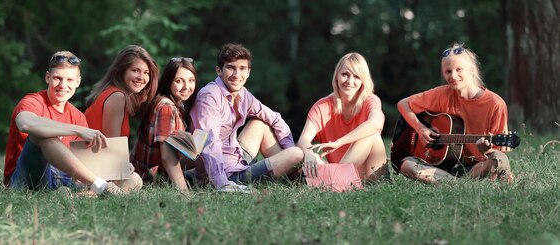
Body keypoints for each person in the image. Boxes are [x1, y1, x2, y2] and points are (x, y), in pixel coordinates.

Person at [3, 51, 124, 196]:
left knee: (132, 177)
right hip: (27, 178)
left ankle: (77, 197)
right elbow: (25, 124)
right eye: (57, 78)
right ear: (48, 77)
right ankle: (102, 187)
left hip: (64, 179)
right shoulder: (32, 101)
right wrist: (77, 130)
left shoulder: (77, 116)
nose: (63, 85)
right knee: (42, 136)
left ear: (78, 82)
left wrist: (116, 167)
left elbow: (80, 165)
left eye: (69, 80)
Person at [190, 43, 304, 192]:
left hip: (236, 158)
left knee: (260, 124)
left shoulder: (243, 94)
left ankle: (294, 171)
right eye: (231, 67)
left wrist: (287, 151)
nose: (237, 75)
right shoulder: (210, 96)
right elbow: (209, 141)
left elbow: (275, 118)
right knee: (297, 153)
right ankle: (296, 172)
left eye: (242, 68)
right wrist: (222, 183)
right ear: (219, 70)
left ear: (248, 72)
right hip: (226, 174)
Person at [394, 43, 513, 183]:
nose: (453, 76)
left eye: (459, 69)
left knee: (498, 159)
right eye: (448, 71)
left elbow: (499, 152)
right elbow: (403, 104)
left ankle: (449, 183)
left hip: (475, 167)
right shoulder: (442, 94)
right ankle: (458, 185)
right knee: (407, 165)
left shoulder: (495, 104)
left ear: (472, 70)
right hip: (441, 166)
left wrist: (485, 150)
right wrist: (421, 129)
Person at [297, 52, 389, 182]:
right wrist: (309, 153)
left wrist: (339, 142)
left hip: (371, 175)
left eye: (356, 76)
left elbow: (376, 124)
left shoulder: (370, 100)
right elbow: (304, 139)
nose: (349, 81)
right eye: (345, 74)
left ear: (363, 80)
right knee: (309, 157)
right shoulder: (322, 106)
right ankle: (336, 177)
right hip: (343, 173)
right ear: (336, 76)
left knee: (371, 134)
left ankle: (334, 178)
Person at [85, 45, 158, 191]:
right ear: (121, 71)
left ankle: (98, 192)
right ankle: (88, 193)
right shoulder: (117, 96)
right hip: (90, 168)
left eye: (146, 73)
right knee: (135, 180)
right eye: (135, 70)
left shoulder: (111, 93)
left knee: (133, 178)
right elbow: (111, 146)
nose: (141, 78)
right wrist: (124, 167)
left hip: (94, 164)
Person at [130, 57, 200, 192]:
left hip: (159, 174)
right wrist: (184, 192)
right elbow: (167, 157)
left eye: (191, 80)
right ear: (168, 82)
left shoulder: (177, 104)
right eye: (179, 81)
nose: (186, 87)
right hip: (150, 179)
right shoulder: (166, 107)